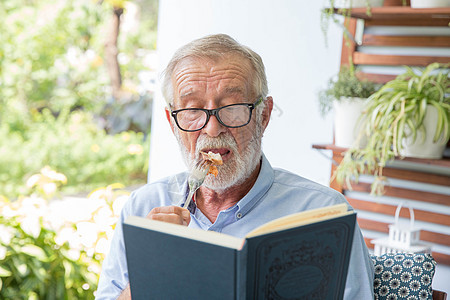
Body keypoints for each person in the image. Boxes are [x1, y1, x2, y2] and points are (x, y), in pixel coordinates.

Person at [95, 34, 374, 299]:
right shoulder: (143, 208)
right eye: (192, 110)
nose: (213, 129)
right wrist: (149, 272)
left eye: (232, 106)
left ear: (263, 115)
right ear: (172, 123)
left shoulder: (324, 215)